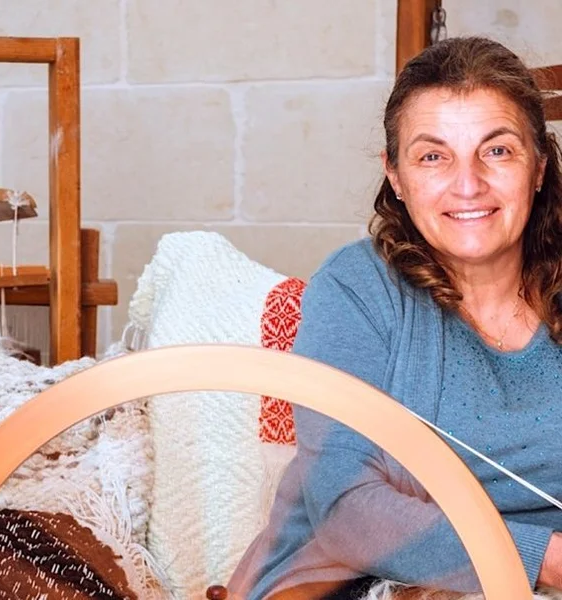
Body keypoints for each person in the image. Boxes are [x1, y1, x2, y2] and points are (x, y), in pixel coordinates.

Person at [226, 35, 562, 599]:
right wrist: (544, 558)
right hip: (358, 585)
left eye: (498, 150)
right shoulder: (357, 289)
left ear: (538, 166)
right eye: (434, 156)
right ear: (396, 177)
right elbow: (346, 510)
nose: (468, 183)